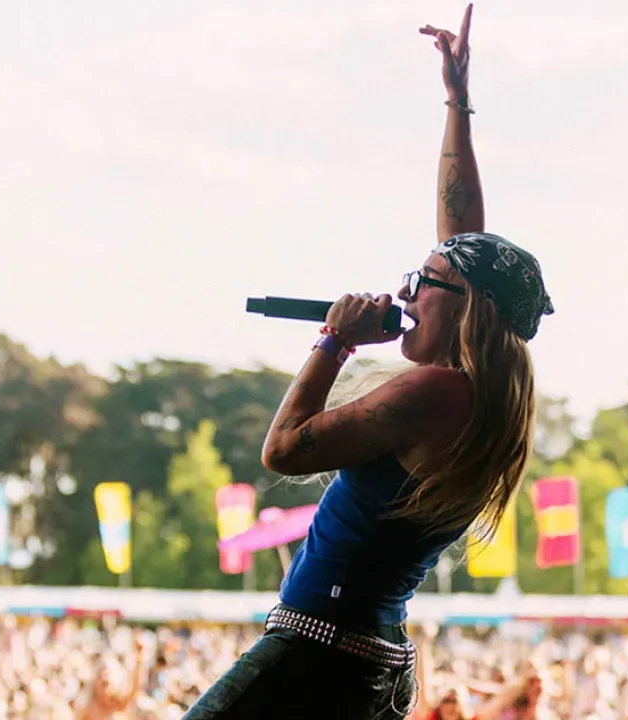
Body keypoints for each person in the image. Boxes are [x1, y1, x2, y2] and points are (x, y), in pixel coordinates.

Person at [184, 4, 553, 719]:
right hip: (366, 656)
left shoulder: (439, 393)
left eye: (423, 283)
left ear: (468, 308)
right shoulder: (480, 395)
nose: (406, 291)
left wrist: (334, 341)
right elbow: (464, 240)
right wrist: (458, 102)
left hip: (318, 652)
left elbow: (284, 451)